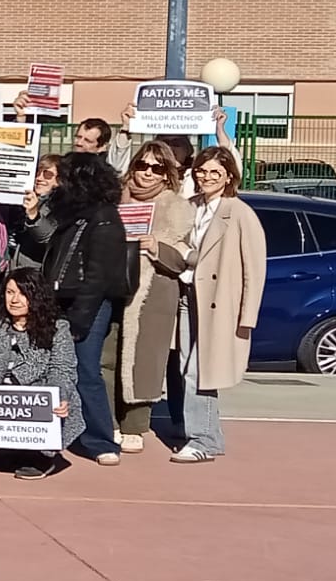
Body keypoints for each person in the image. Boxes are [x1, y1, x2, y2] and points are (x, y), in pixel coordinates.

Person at [167, 146, 267, 463]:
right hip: (186, 297)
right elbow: (178, 242)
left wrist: (246, 316)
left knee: (201, 370)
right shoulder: (189, 206)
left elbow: (255, 268)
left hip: (218, 304)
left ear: (228, 177)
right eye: (202, 171)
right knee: (186, 367)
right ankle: (199, 430)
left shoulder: (239, 213)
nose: (207, 177)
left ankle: (204, 439)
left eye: (215, 172)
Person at [36, 152, 131, 464]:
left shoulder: (104, 218)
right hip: (60, 299)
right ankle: (55, 431)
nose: (59, 182)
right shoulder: (72, 213)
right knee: (54, 367)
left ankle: (102, 440)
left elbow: (97, 277)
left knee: (86, 368)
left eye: (65, 176)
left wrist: (79, 320)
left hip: (86, 302)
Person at [114, 141, 192, 454]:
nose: (147, 173)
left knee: (144, 360)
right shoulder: (113, 198)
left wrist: (157, 247)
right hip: (110, 288)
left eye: (156, 168)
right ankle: (106, 421)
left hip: (152, 293)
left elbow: (183, 260)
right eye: (142, 165)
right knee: (105, 357)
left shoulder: (178, 207)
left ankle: (135, 426)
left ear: (167, 174)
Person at [0, 273, 80, 479]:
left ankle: (41, 457)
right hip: (1, 396)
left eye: (23, 293)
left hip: (40, 392)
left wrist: (60, 397)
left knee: (50, 395)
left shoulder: (58, 328)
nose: (15, 300)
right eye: (10, 292)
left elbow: (62, 370)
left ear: (36, 297)